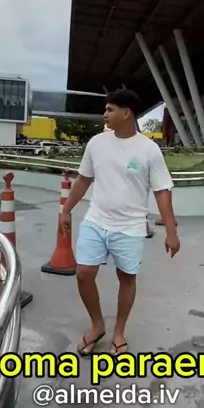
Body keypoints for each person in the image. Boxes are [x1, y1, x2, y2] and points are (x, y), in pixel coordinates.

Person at [59, 88, 180, 357]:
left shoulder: (149, 150)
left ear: (126, 113)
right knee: (83, 274)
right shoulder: (96, 143)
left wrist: (171, 231)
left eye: (110, 109)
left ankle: (119, 332)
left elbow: (162, 191)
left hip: (130, 227)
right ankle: (97, 325)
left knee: (126, 278)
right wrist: (66, 210)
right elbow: (84, 179)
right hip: (96, 220)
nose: (105, 114)